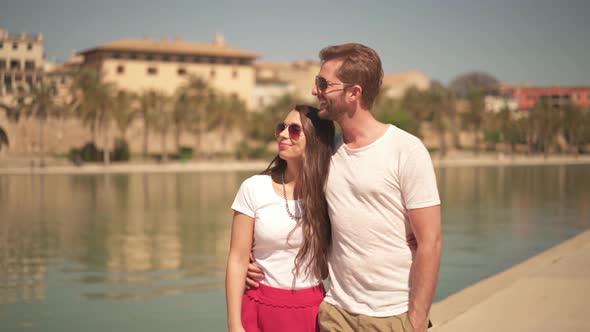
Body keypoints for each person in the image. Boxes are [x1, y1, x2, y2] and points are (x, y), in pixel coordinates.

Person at [247, 43, 442, 332]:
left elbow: (431, 242)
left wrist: (414, 322)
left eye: (323, 83)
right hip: (335, 313)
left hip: (391, 315)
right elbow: (288, 200)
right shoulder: (324, 151)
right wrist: (254, 253)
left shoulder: (406, 150)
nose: (315, 91)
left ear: (354, 92)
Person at [225, 105, 335, 332]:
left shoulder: (330, 192)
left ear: (315, 139)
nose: (283, 134)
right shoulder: (254, 188)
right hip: (259, 308)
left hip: (311, 311)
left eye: (294, 129)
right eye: (281, 127)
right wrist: (235, 325)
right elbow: (237, 260)